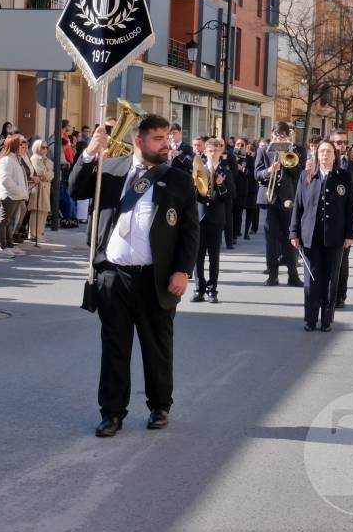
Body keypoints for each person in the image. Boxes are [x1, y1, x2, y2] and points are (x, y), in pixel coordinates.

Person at [68, 114, 199, 438]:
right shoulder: (110, 170)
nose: (166, 145)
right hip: (113, 275)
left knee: (157, 347)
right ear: (138, 141)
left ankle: (159, 406)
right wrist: (88, 154)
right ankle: (112, 413)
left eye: (167, 138)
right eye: (158, 139)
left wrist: (182, 270)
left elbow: (189, 231)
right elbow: (76, 190)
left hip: (155, 278)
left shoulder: (178, 179)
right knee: (115, 347)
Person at [290, 139, 353, 332]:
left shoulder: (344, 176)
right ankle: (310, 319)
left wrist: (350, 234)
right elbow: (299, 206)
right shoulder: (307, 176)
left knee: (330, 279)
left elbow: (351, 208)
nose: (325, 155)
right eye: (321, 152)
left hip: (335, 236)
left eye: (328, 152)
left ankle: (326, 319)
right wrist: (294, 232)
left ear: (335, 155)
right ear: (316, 155)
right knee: (312, 280)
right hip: (310, 235)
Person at [254, 122, 304, 287]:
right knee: (271, 239)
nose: (279, 138)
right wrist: (269, 171)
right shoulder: (263, 150)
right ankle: (272, 275)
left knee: (290, 238)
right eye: (276, 135)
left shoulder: (296, 151)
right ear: (272, 134)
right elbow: (257, 174)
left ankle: (293, 275)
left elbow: (299, 174)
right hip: (269, 199)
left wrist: (285, 159)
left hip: (288, 199)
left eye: (282, 135)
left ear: (288, 136)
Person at [329, 129, 353, 307]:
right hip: (326, 219)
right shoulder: (321, 163)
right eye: (338, 142)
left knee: (342, 260)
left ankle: (340, 295)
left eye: (344, 142)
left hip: (346, 218)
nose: (342, 146)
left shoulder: (352, 165)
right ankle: (326, 294)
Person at [192, 137, 230, 303]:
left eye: (216, 151)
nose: (213, 154)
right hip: (200, 217)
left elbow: (231, 197)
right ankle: (198, 289)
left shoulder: (226, 170)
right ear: (205, 152)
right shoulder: (198, 169)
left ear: (220, 152)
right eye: (210, 151)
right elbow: (191, 197)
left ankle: (212, 289)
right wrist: (193, 186)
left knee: (214, 257)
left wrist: (221, 185)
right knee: (197, 256)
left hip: (216, 218)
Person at [0, 134, 28, 257]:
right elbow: (5, 179)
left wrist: (19, 191)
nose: (24, 147)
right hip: (9, 195)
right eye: (21, 145)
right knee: (4, 221)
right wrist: (18, 190)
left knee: (9, 222)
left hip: (15, 195)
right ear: (14, 145)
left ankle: (9, 244)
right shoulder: (6, 160)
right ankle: (2, 246)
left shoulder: (15, 159)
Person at [27, 139, 55, 244]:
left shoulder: (46, 159)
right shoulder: (35, 158)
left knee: (44, 211)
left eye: (46, 147)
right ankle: (33, 234)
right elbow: (41, 173)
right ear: (37, 148)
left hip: (45, 187)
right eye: (43, 147)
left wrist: (48, 173)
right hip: (38, 188)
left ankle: (40, 233)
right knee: (37, 211)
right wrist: (48, 173)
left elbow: (51, 174)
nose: (45, 149)